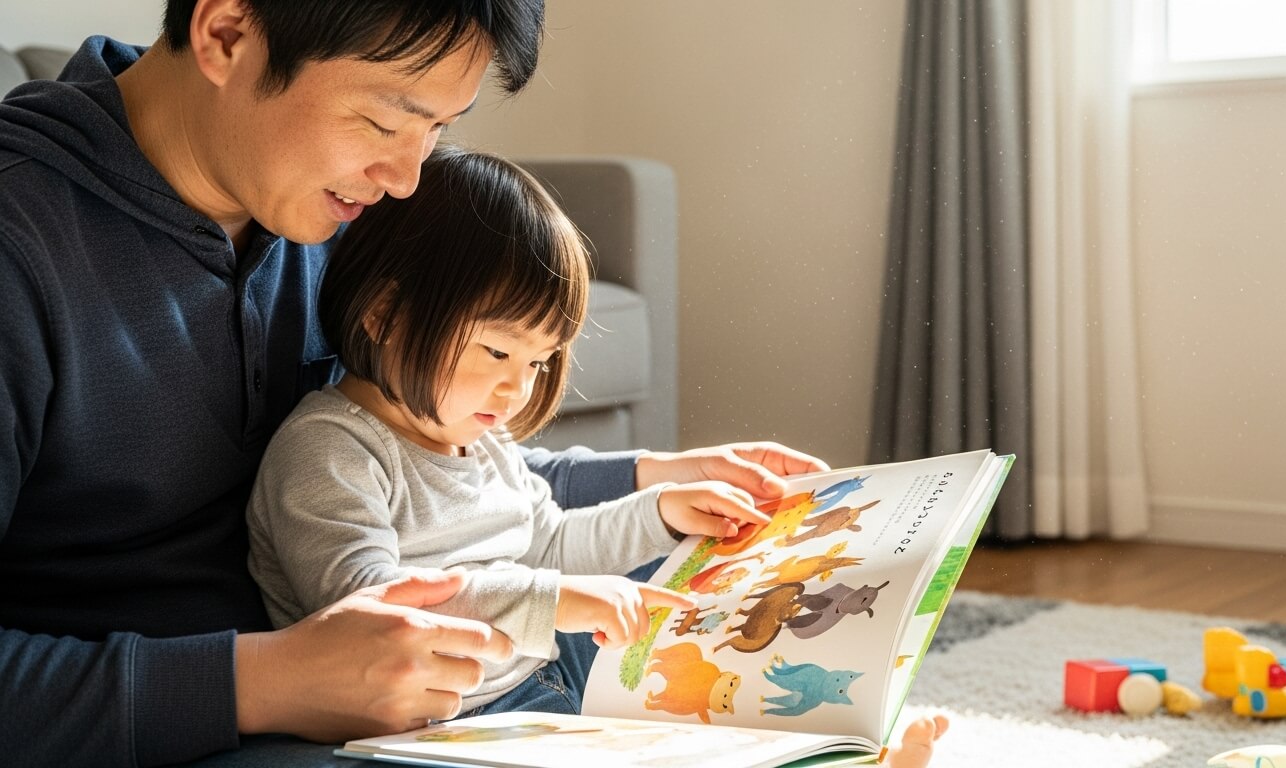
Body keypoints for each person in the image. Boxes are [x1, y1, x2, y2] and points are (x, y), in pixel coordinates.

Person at [0, 2, 826, 766]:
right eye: (384, 119)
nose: (405, 179)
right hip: (171, 715)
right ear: (225, 34)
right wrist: (267, 683)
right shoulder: (22, 243)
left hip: (390, 667)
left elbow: (438, 478)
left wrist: (651, 477)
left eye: (437, 128)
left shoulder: (331, 212)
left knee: (723, 602)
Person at [246, 147, 770, 721]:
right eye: (497, 351)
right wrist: (550, 602)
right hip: (435, 727)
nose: (516, 389)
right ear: (386, 315)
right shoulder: (330, 449)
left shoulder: (481, 441)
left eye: (538, 362)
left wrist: (660, 514)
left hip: (538, 695)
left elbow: (550, 543)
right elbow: (370, 601)